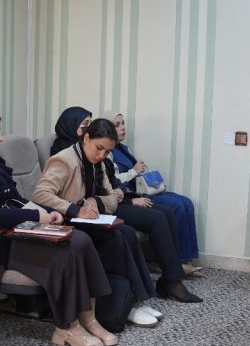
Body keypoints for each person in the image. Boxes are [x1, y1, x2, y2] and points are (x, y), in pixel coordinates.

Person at [0, 107, 116, 346]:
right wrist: (34, 215)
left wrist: (48, 212)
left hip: (18, 230)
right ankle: (66, 327)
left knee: (81, 240)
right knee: (63, 253)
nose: (0, 138)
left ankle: (89, 319)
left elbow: (16, 198)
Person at [51, 108, 200, 305]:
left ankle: (171, 276)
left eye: (90, 123)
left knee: (167, 212)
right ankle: (166, 283)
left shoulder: (100, 152)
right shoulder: (65, 154)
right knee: (155, 218)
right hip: (93, 207)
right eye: (85, 125)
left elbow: (111, 181)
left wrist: (120, 193)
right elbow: (53, 193)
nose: (89, 128)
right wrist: (114, 198)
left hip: (110, 200)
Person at [32, 119, 163, 331]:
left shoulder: (98, 163)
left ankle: (135, 299)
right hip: (65, 222)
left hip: (87, 220)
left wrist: (96, 201)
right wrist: (74, 209)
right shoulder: (64, 160)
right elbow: (40, 195)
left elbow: (112, 199)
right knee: (115, 239)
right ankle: (125, 305)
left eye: (107, 151)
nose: (102, 155)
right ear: (86, 138)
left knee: (127, 233)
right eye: (99, 148)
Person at [103, 110, 203, 275]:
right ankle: (177, 261)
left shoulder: (123, 148)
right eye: (117, 125)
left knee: (186, 202)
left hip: (140, 189)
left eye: (123, 123)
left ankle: (186, 259)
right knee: (176, 206)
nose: (122, 128)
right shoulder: (107, 152)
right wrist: (134, 171)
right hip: (131, 194)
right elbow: (111, 179)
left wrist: (138, 170)